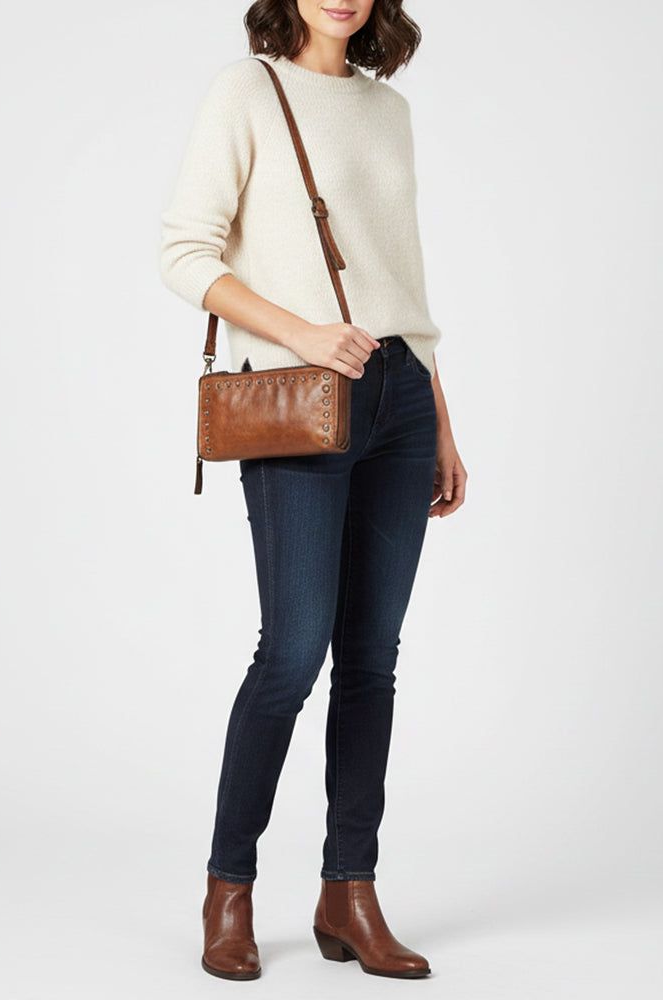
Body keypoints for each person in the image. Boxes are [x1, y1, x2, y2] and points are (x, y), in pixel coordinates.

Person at [159, 0, 466, 981]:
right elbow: (184, 253)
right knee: (293, 650)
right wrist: (302, 335)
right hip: (300, 392)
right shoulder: (246, 91)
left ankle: (349, 891)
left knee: (372, 658)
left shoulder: (387, 112)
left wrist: (440, 420)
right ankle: (229, 888)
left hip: (401, 394)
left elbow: (402, 284)